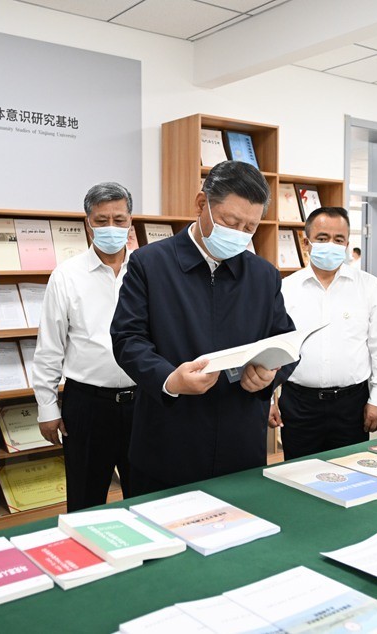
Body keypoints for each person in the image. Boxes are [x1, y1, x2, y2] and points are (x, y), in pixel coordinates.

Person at [111, 161, 297, 495]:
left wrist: (270, 375)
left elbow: (285, 341)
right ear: (201, 204)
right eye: (231, 222)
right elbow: (127, 339)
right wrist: (170, 379)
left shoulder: (263, 275)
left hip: (240, 445)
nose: (239, 234)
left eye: (250, 227)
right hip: (167, 442)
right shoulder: (149, 263)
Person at [33, 182, 136, 512]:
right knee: (85, 501)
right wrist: (47, 408)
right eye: (101, 220)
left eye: (119, 220)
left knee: (146, 497)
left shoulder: (147, 270)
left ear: (130, 221)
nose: (111, 228)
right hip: (88, 405)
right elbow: (50, 347)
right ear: (88, 222)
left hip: (143, 403)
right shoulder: (66, 275)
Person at [270, 208, 377, 459]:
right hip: (299, 404)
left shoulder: (369, 287)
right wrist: (267, 400)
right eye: (322, 238)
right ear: (306, 243)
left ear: (347, 245)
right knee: (298, 472)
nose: (331, 244)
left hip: (352, 405)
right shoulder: (286, 289)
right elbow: (271, 348)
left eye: (338, 239)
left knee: (351, 471)